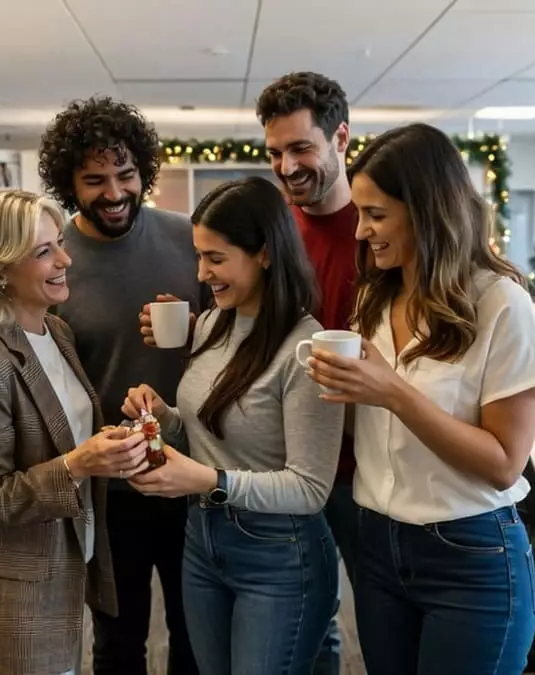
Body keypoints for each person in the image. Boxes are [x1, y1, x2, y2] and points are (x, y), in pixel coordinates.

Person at [306, 123, 535, 675]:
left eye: (375, 214)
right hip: (378, 545)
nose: (361, 230)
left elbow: (503, 463)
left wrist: (393, 393)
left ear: (425, 210)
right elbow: (369, 435)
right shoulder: (374, 297)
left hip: (468, 554)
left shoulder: (501, 304)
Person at [127, 177, 344, 675]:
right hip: (203, 540)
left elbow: (310, 488)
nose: (202, 273)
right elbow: (209, 432)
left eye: (216, 259)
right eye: (199, 256)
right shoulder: (210, 324)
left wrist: (207, 480)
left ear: (264, 254)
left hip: (280, 555)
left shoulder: (306, 349)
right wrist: (164, 416)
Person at [0, 189, 150, 675]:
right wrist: (80, 463)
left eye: (59, 242)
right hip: (21, 591)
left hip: (70, 562)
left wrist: (120, 435)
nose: (65, 258)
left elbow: (64, 433)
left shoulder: (55, 332)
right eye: (43, 252)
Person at [39, 96, 202, 675]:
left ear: (144, 174)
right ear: (69, 184)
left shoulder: (188, 238)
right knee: (116, 645)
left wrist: (193, 329)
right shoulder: (56, 258)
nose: (114, 193)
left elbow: (234, 342)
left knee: (197, 640)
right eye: (94, 180)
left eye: (126, 175)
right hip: (109, 492)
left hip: (193, 478)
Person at [256, 71, 358, 674]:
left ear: (339, 138)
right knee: (307, 623)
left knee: (366, 613)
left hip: (363, 468)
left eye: (301, 148)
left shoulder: (379, 230)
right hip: (288, 465)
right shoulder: (274, 231)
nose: (287, 167)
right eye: (275, 153)